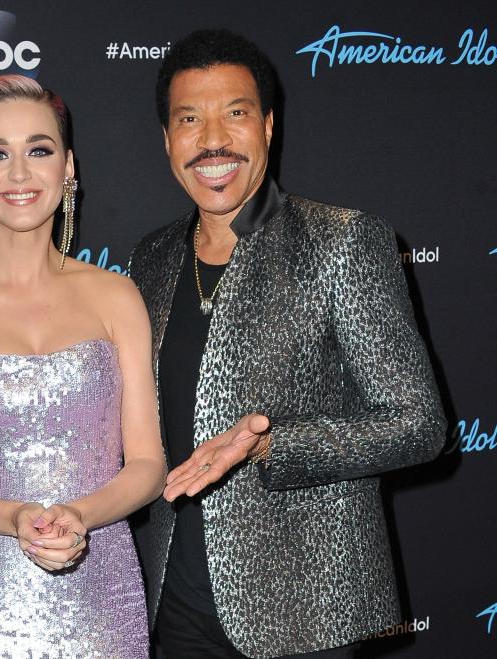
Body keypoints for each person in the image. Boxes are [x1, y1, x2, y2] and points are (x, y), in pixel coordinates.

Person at [127, 29, 447, 658]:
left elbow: (420, 425)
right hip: (176, 599)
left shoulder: (341, 242)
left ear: (268, 128)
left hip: (305, 610)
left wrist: (274, 445)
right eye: (189, 119)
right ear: (167, 140)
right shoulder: (153, 257)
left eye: (235, 114)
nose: (212, 139)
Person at [0, 74, 166, 658]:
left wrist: (80, 515)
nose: (19, 174)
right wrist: (15, 516)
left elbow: (147, 464)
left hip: (104, 595)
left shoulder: (117, 297)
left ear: (68, 168)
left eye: (38, 150)